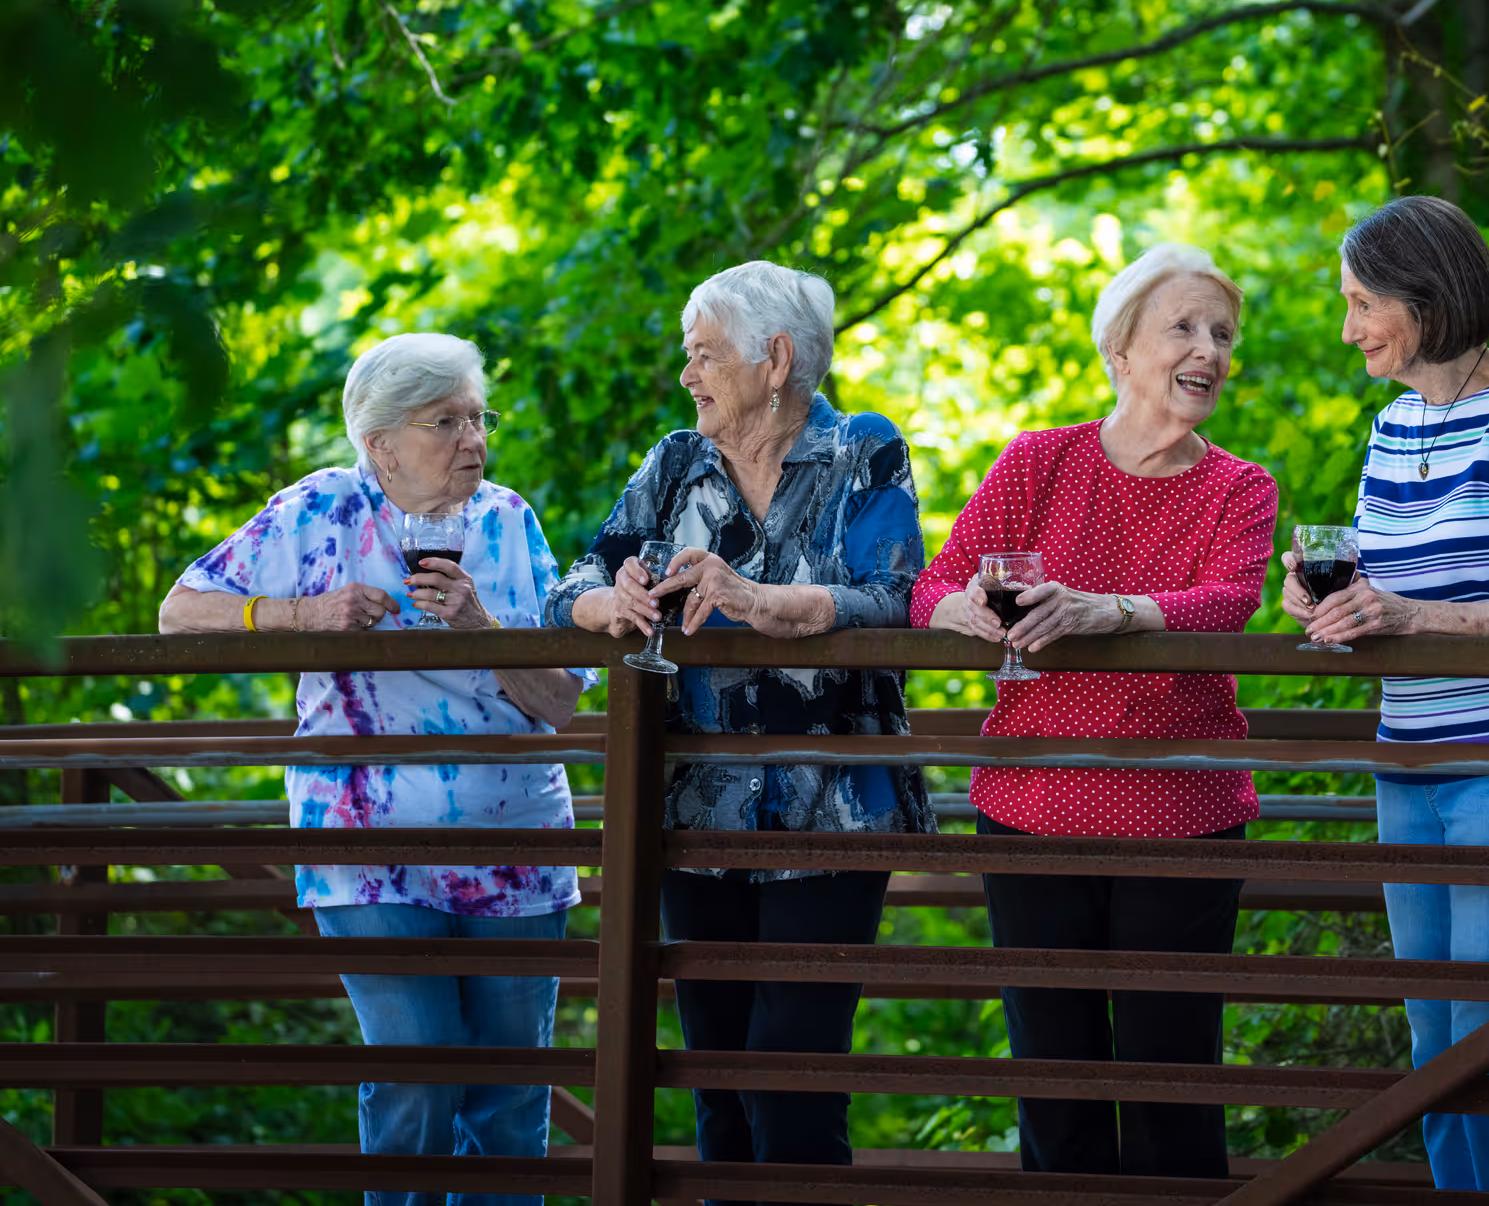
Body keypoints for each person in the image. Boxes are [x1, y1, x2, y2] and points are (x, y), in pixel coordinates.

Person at [158, 332, 592, 1206]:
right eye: (447, 421)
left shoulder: (509, 521)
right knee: (415, 1079)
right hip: (369, 843)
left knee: (510, 1101)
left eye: (479, 418)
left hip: (513, 846)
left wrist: (478, 627)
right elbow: (178, 612)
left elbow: (561, 703)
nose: (474, 439)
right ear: (380, 443)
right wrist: (298, 612)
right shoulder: (318, 510)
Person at [544, 261, 934, 1192]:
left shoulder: (865, 450)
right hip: (695, 815)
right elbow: (569, 588)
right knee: (716, 1081)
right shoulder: (674, 462)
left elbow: (898, 598)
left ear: (776, 358)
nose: (688, 376)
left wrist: (763, 601)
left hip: (835, 811)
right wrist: (612, 600)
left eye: (704, 355)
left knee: (794, 1080)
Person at [911, 242, 1277, 1179]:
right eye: (1185, 328)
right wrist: (954, 610)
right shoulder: (1039, 460)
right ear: (1119, 348)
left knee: (1172, 1076)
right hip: (1031, 811)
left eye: (1223, 334)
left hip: (1182, 816)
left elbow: (1229, 601)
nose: (1210, 350)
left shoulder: (1241, 486)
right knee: (1055, 1076)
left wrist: (1106, 611)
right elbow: (938, 583)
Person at [1281, 194, 1489, 1195]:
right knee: (1434, 1051)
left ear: (1422, 298)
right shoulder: (1392, 427)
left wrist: (1407, 613)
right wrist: (1323, 604)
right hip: (1408, 757)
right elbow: (1384, 594)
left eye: (1360, 303)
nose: (1348, 329)